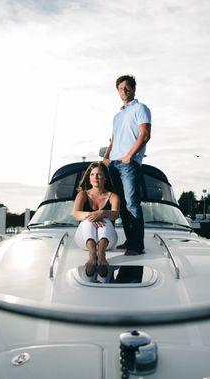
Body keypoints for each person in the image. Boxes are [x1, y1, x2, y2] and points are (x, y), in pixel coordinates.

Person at [102, 75, 151, 256]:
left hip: (128, 163)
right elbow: (113, 140)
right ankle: (130, 241)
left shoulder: (140, 108)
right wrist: (106, 158)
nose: (124, 90)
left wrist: (130, 156)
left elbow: (145, 134)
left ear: (133, 89)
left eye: (127, 87)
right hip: (113, 164)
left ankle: (137, 245)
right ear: (117, 91)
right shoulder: (117, 116)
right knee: (121, 205)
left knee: (132, 204)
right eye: (120, 88)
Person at [73, 162, 120, 277]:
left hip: (107, 241)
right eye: (92, 174)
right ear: (89, 178)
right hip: (84, 240)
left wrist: (102, 213)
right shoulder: (82, 195)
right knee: (88, 221)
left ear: (105, 178)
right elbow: (75, 214)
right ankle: (92, 256)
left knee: (107, 220)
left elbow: (115, 215)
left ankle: (101, 256)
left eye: (99, 174)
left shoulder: (113, 196)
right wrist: (93, 216)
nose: (95, 177)